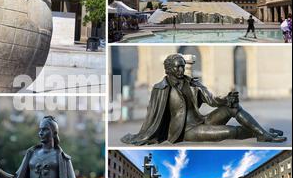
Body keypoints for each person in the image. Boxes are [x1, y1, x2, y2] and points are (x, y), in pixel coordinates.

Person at [121, 54, 286, 145]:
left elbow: (212, 100)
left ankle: (263, 134)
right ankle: (263, 133)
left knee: (233, 107)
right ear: (169, 68)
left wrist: (226, 100)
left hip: (203, 121)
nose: (181, 69)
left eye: (182, 66)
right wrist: (145, 134)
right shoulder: (161, 88)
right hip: (186, 131)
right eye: (177, 66)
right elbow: (153, 116)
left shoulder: (192, 83)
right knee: (229, 131)